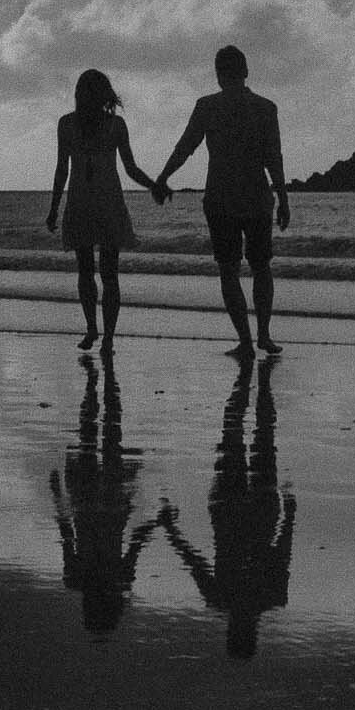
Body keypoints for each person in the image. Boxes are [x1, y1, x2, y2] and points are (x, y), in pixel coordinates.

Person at [154, 44, 289, 358]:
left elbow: (185, 147)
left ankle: (245, 341)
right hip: (256, 196)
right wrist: (283, 198)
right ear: (245, 72)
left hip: (222, 198)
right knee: (261, 266)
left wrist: (162, 177)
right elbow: (274, 158)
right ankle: (264, 336)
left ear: (218, 75)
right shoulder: (265, 108)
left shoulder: (207, 107)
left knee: (229, 270)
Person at [160, 355, 296, 658]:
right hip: (236, 512)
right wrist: (290, 514)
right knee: (243, 435)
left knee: (259, 438)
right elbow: (282, 552)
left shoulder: (263, 598)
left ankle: (255, 378)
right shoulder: (236, 598)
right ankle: (253, 378)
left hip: (243, 513)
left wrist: (290, 514)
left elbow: (194, 560)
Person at [44, 68, 165, 353]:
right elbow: (130, 169)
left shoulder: (72, 124)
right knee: (107, 274)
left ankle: (96, 332)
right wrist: (154, 186)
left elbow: (63, 170)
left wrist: (54, 209)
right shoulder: (107, 125)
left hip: (85, 203)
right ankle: (104, 336)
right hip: (104, 202)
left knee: (88, 272)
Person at [48, 357, 156, 636]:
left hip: (112, 506)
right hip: (90, 504)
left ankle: (101, 382)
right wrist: (56, 491)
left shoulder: (116, 580)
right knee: (92, 436)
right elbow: (66, 531)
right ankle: (97, 383)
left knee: (110, 436)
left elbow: (136, 542)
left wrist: (155, 518)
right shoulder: (77, 579)